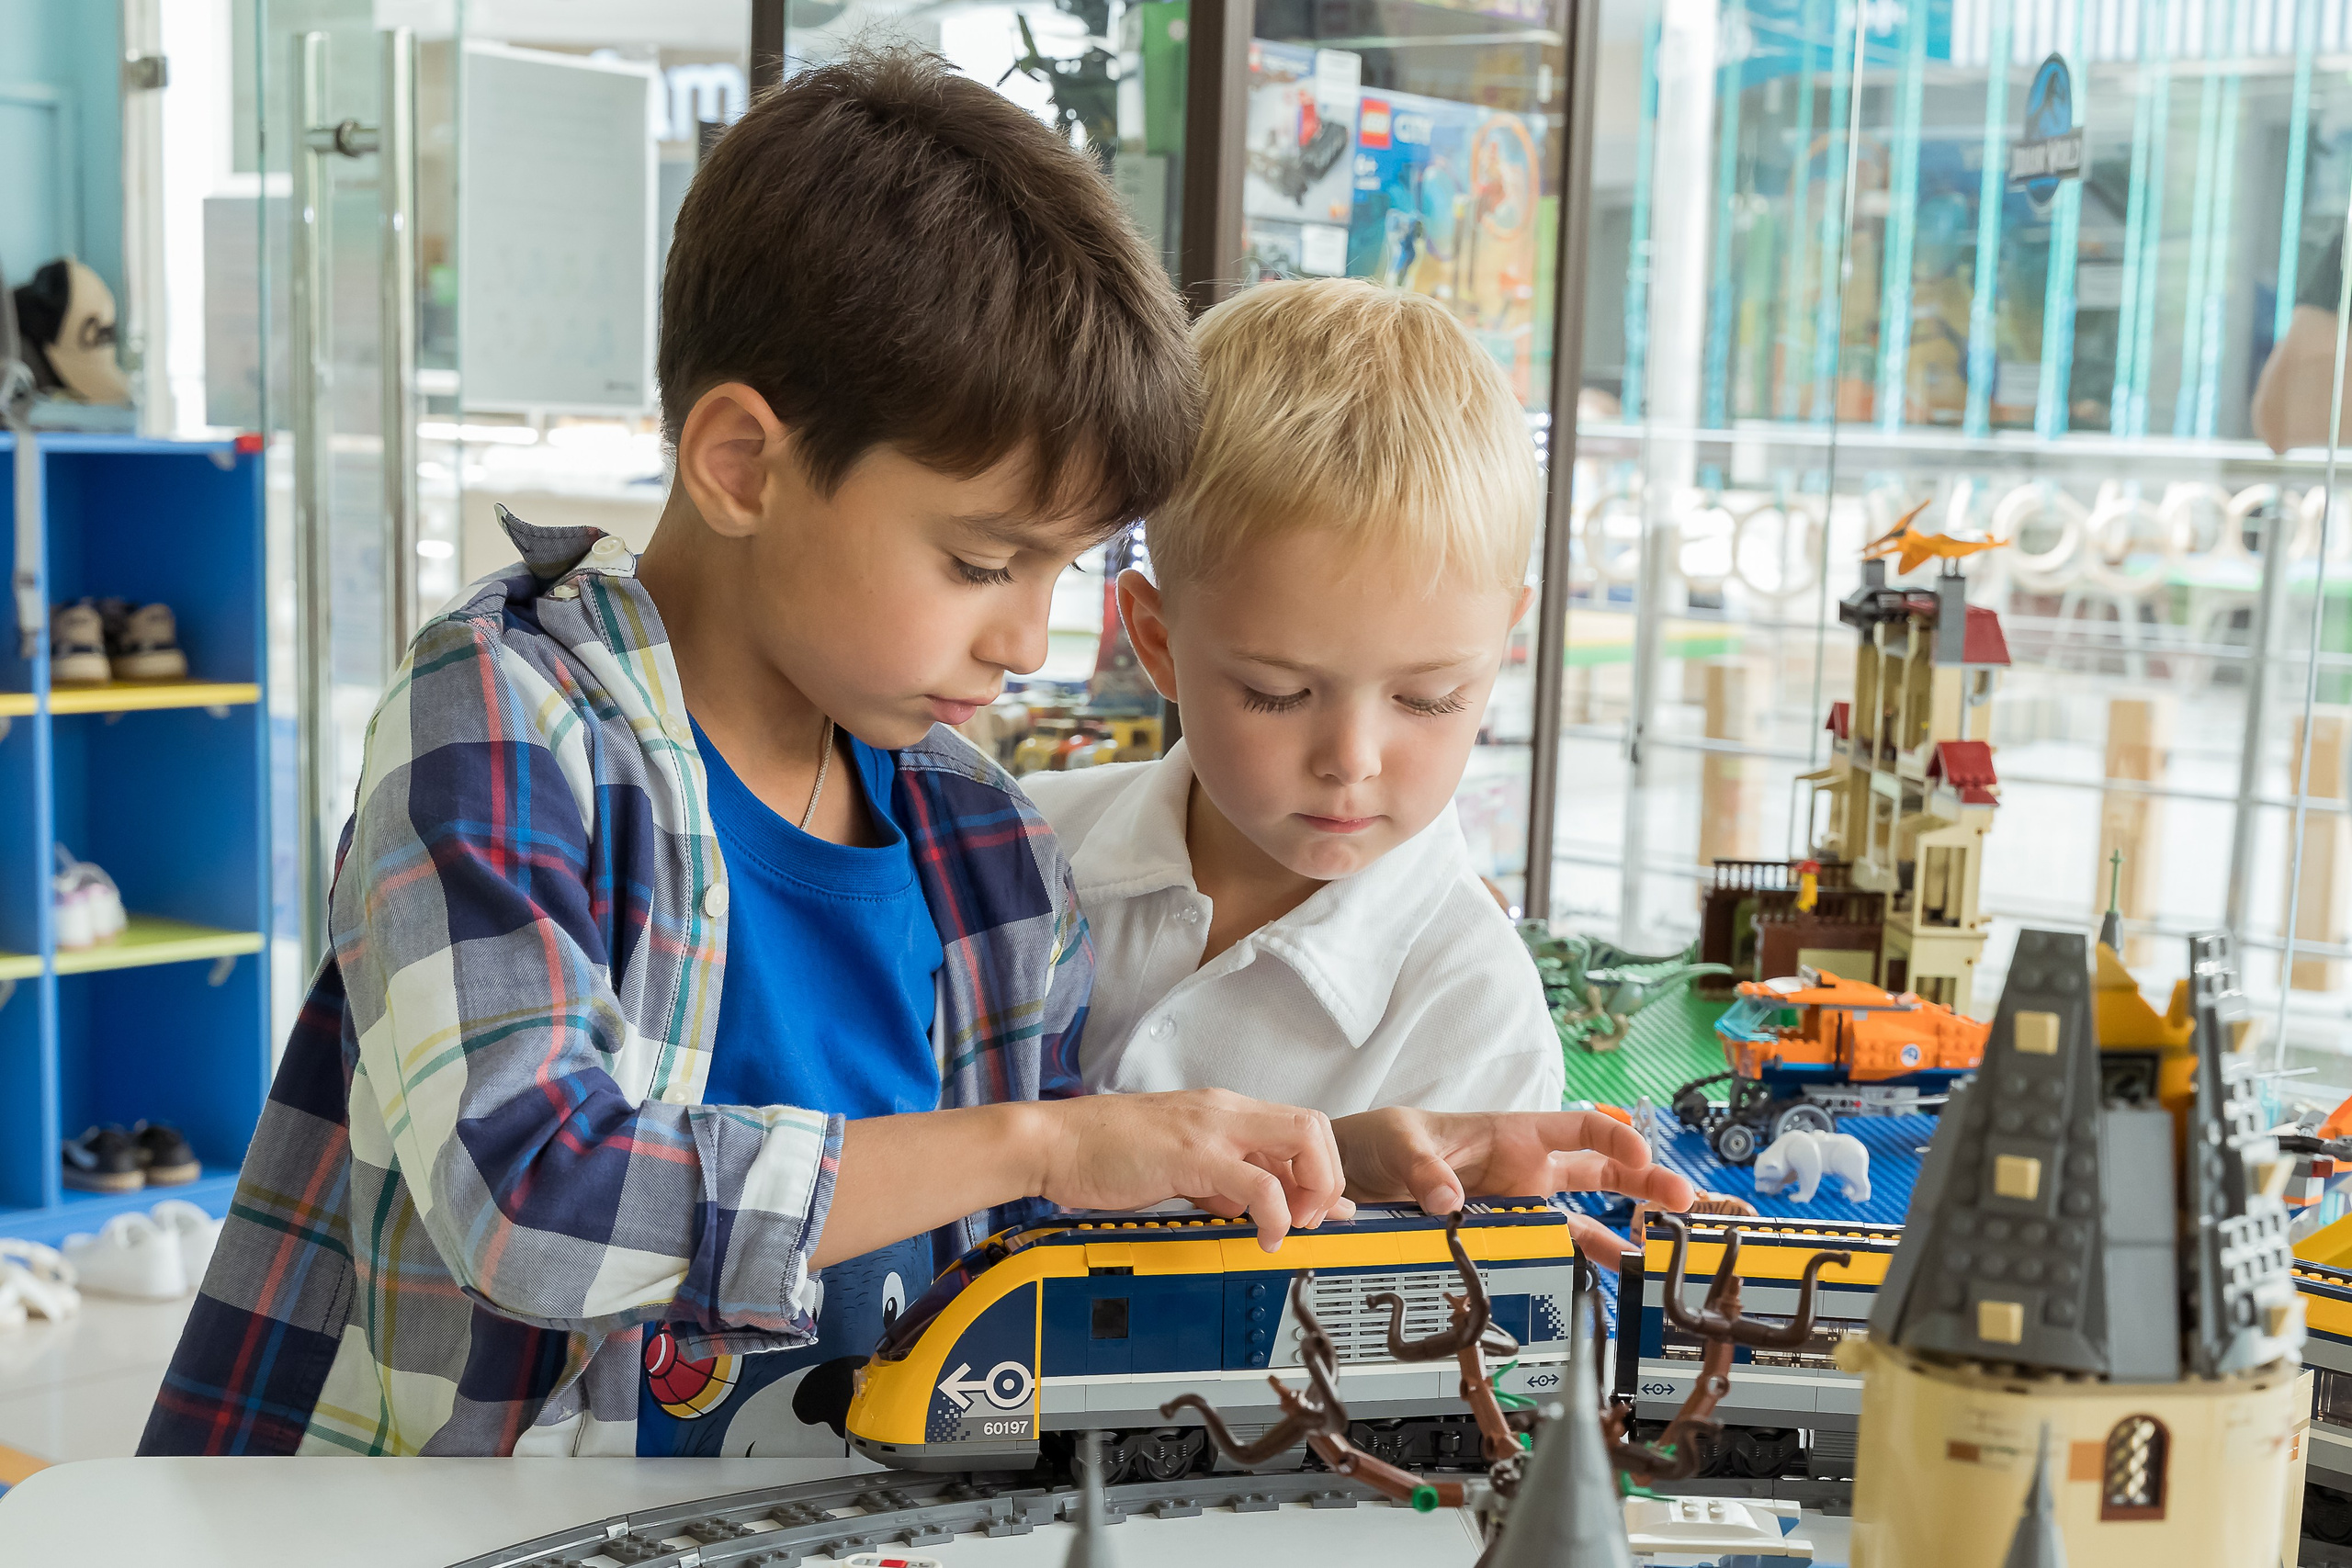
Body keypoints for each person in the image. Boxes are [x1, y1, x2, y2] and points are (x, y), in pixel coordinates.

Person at [139, 51, 1353, 1461]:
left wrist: (1353, 1159)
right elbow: (531, 1193)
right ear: (741, 463)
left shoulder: (986, 846)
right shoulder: (507, 718)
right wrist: (1044, 1139)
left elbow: (1032, 1260)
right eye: (980, 560)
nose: (1029, 638)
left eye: (1065, 569)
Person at [1022, 279, 1695, 1258]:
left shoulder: (1475, 1012)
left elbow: (1429, 1353)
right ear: (1155, 640)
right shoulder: (1022, 844)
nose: (1352, 760)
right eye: (1275, 693)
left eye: (1428, 699)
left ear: (1502, 648)